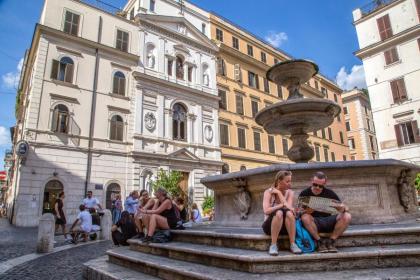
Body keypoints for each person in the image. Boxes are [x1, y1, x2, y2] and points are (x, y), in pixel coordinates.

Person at [299, 171, 352, 253]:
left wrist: (342, 208)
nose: (317, 187)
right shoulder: (304, 193)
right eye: (315, 185)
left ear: (325, 183)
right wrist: (305, 211)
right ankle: (319, 242)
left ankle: (331, 241)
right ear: (311, 181)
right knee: (305, 217)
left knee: (347, 216)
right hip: (314, 221)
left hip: (329, 220)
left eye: (320, 186)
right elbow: (298, 212)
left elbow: (345, 208)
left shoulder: (330, 193)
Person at [262, 170, 302, 255]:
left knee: (289, 213)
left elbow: (290, 208)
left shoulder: (290, 192)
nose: (290, 183)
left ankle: (293, 244)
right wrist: (281, 205)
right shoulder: (268, 192)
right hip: (270, 227)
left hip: (286, 227)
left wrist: (279, 193)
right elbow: (266, 211)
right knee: (279, 212)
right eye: (287, 181)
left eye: (290, 181)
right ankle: (273, 245)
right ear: (279, 181)